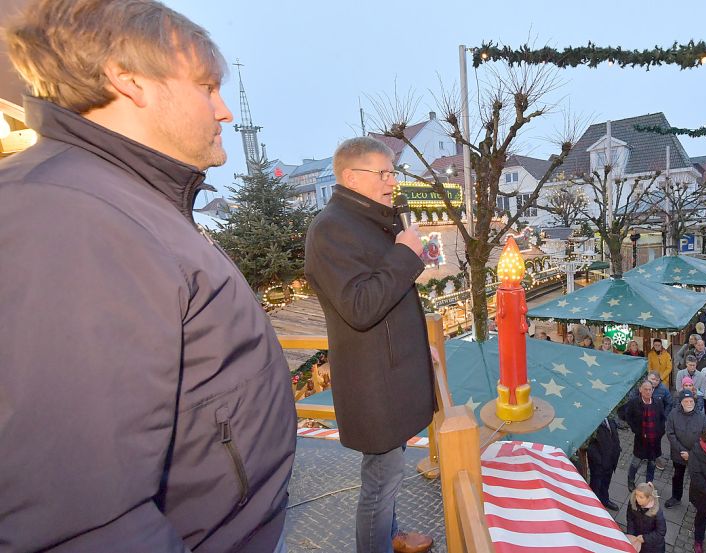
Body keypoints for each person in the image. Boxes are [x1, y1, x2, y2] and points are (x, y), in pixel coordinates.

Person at [0, 2, 297, 550]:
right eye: (208, 87)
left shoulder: (116, 198)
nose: (224, 110)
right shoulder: (68, 215)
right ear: (129, 80)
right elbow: (82, 518)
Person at [306, 136, 437, 553]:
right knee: (381, 482)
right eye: (382, 173)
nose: (391, 181)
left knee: (388, 474)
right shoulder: (330, 230)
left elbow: (390, 302)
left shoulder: (367, 222)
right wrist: (404, 254)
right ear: (350, 177)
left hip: (391, 371)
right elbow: (360, 306)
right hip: (375, 383)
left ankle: (391, 534)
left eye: (392, 171)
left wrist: (419, 343)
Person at [665, 390, 706, 508]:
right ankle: (676, 497)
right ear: (681, 402)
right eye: (686, 401)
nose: (689, 403)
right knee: (678, 476)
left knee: (696, 478)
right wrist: (681, 451)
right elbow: (670, 434)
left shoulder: (701, 416)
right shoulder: (673, 414)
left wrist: (692, 454)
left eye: (691, 401)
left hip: (696, 455)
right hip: (678, 454)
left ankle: (696, 501)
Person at [626, 381, 668, 488]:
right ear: (640, 389)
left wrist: (660, 432)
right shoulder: (634, 403)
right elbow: (628, 417)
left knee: (652, 463)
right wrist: (636, 430)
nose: (648, 392)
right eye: (646, 389)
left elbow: (662, 418)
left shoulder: (657, 402)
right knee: (636, 462)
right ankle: (630, 479)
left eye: (650, 389)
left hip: (654, 440)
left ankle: (649, 483)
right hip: (641, 440)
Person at [587, 416, 621, 511]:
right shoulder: (592, 425)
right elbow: (588, 447)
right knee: (596, 485)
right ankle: (595, 508)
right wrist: (599, 461)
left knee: (606, 483)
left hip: (610, 461)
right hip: (598, 464)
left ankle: (605, 500)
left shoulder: (609, 420)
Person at [625, 482, 668, 553]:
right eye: (636, 495)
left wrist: (645, 538)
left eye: (641, 497)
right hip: (637, 538)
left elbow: (661, 532)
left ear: (649, 498)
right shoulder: (633, 503)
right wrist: (631, 534)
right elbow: (630, 518)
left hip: (652, 546)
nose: (637, 499)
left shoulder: (657, 512)